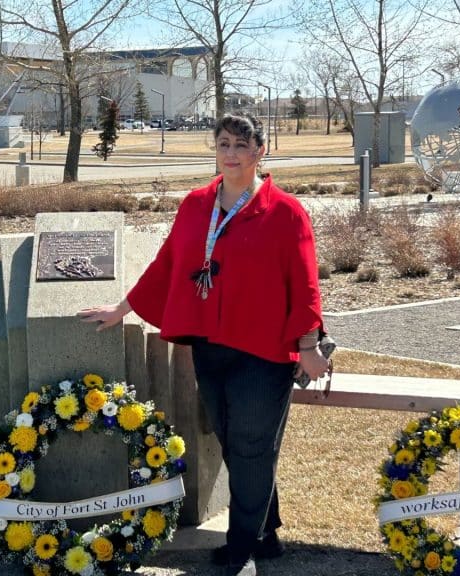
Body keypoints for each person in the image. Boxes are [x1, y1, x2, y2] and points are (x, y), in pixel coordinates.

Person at [78, 114, 329, 576]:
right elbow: (168, 262)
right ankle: (266, 533)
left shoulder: (285, 211)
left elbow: (305, 283)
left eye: (241, 145)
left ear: (260, 151)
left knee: (252, 444)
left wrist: (309, 345)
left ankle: (241, 545)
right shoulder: (196, 205)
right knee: (235, 441)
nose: (230, 153)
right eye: (223, 144)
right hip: (212, 345)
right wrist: (123, 307)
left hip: (265, 349)